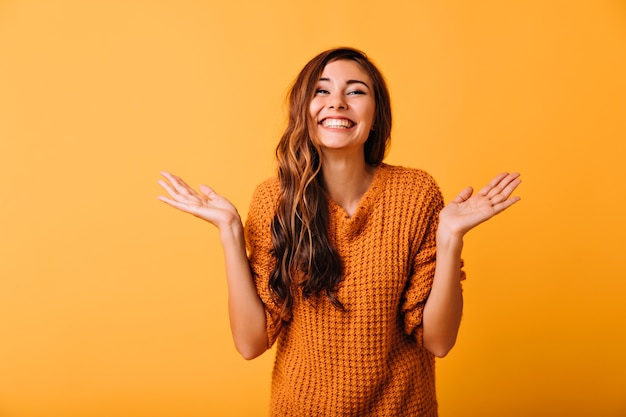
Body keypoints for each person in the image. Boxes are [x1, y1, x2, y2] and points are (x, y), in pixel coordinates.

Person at [157, 47, 521, 416]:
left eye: (356, 91)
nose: (338, 102)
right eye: (322, 90)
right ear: (304, 111)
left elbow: (438, 341)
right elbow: (251, 343)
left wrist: (450, 239)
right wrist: (231, 232)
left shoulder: (417, 194)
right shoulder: (274, 200)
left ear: (377, 116)